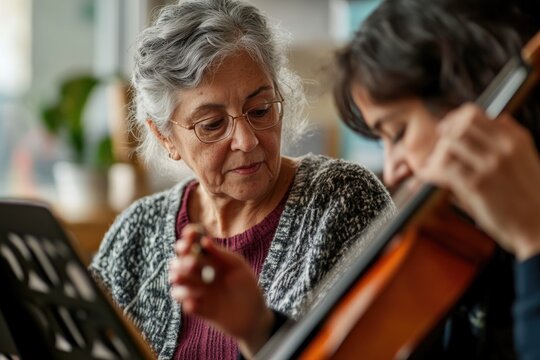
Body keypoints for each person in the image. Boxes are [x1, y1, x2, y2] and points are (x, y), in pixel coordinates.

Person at [168, 0, 540, 358]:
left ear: (473, 102)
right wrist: (258, 329)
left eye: (398, 132)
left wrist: (532, 236)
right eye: (212, 124)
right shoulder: (462, 242)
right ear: (165, 137)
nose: (393, 169)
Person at [88, 0, 394, 359]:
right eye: (212, 125)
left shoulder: (342, 201)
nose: (247, 141)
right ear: (165, 137)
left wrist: (257, 329)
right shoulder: (136, 233)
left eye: (261, 109)